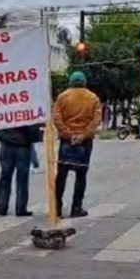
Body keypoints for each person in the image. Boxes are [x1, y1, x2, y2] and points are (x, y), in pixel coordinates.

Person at [53, 71, 102, 218]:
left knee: (61, 175)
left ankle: (57, 208)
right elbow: (96, 120)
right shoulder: (93, 98)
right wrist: (83, 135)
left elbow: (57, 118)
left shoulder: (62, 97)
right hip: (85, 142)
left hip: (66, 141)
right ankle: (76, 207)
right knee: (81, 175)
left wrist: (68, 134)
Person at [0, 124, 41, 217]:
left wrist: (2, 136)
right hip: (22, 146)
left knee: (5, 177)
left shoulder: (5, 109)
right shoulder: (27, 111)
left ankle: (2, 206)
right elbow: (33, 130)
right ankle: (21, 207)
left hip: (6, 145)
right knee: (22, 179)